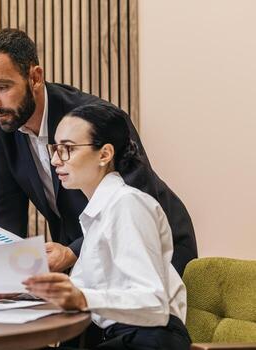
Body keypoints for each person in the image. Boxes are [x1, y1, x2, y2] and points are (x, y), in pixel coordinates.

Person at [0, 28, 197, 276]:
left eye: (2, 87)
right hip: (80, 255)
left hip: (151, 250)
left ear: (35, 77)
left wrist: (73, 252)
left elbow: (138, 199)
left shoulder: (97, 118)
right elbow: (8, 210)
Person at [23, 103, 191, 349]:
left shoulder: (127, 204)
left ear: (105, 154)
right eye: (54, 149)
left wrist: (81, 298)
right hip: (116, 336)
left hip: (148, 339)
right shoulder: (97, 215)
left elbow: (154, 302)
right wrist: (20, 292)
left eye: (67, 148)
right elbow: (83, 293)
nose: (55, 160)